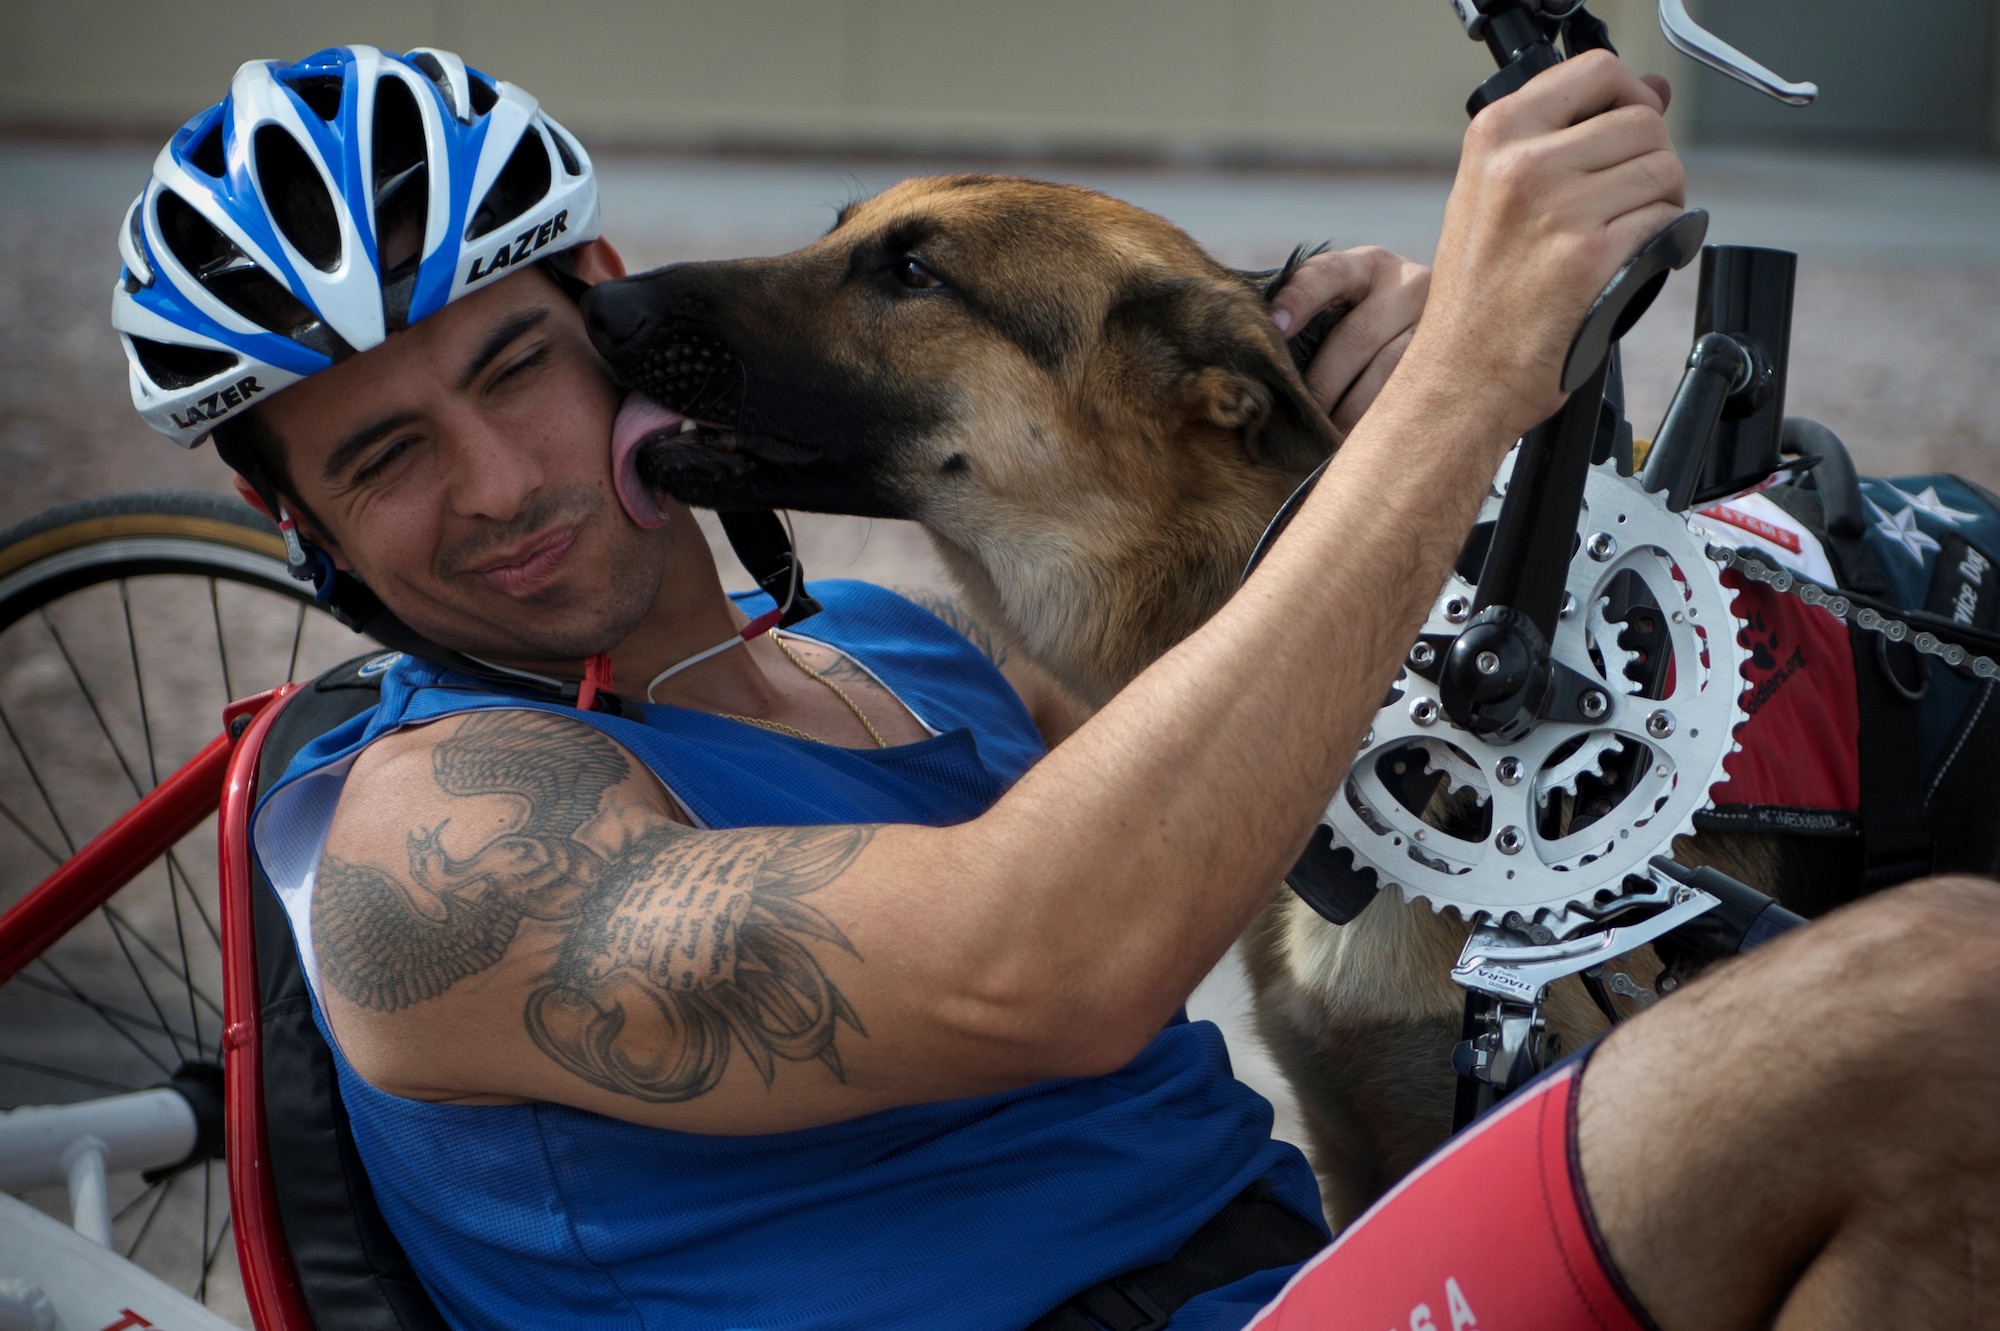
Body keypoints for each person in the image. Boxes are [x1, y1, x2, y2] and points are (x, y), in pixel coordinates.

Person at [113, 43, 1997, 1331]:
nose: (503, 483)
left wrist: (1316, 419)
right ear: (305, 530)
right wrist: (1459, 397)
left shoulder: (892, 663)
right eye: (383, 461)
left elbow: (1284, 762)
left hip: (1294, 1277)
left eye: (516, 368)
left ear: (611, 311)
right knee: (1944, 1004)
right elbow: (1048, 955)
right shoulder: (429, 839)